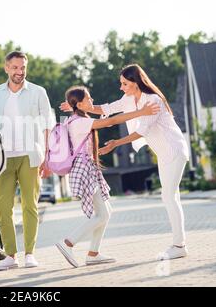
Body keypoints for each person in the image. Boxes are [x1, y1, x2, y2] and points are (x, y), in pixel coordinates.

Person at [61, 64, 190, 260]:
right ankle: (179, 244)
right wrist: (80, 106)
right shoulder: (129, 98)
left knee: (169, 197)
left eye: (124, 83)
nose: (121, 87)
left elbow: (141, 131)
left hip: (174, 151)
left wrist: (115, 143)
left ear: (136, 83)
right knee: (171, 197)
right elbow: (107, 110)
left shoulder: (153, 101)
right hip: (163, 154)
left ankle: (179, 245)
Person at [55, 86, 159, 267]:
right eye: (88, 99)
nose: (92, 100)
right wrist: (141, 112)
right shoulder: (79, 122)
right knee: (102, 215)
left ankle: (93, 253)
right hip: (85, 170)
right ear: (79, 104)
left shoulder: (77, 119)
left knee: (105, 212)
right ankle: (68, 243)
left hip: (89, 168)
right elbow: (113, 121)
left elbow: (107, 119)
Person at [0, 51, 55, 271]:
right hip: (3, 158)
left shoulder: (38, 92)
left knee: (30, 205)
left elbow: (48, 126)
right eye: (15, 67)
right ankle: (10, 255)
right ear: (6, 68)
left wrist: (48, 157)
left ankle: (30, 254)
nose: (19, 72)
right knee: (2, 208)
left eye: (23, 67)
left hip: (30, 156)